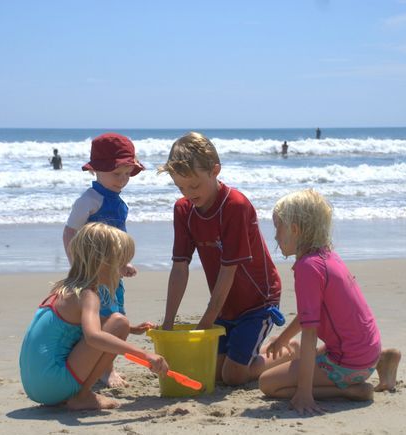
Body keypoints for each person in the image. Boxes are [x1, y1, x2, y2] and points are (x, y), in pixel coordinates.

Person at [158, 131, 295, 386]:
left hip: (258, 302)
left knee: (232, 376)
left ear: (215, 170)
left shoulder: (235, 206)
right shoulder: (183, 210)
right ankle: (260, 351)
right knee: (213, 372)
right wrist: (168, 322)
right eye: (181, 187)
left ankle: (287, 351)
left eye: (195, 185)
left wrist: (204, 324)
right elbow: (179, 267)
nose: (188, 194)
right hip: (225, 305)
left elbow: (228, 270)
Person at [258, 189, 401, 415]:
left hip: (349, 363)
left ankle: (353, 391)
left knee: (269, 383)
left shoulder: (308, 268)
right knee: (297, 353)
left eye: (278, 227)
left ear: (295, 230)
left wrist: (304, 392)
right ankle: (383, 359)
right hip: (367, 350)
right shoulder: (327, 256)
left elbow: (310, 331)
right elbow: (309, 315)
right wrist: (283, 339)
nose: (275, 236)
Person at [19, 222, 168, 411]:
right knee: (119, 322)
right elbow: (93, 336)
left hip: (35, 386)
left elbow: (75, 328)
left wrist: (132, 329)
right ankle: (82, 396)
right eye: (121, 263)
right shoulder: (88, 295)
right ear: (103, 263)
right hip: (54, 384)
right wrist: (145, 354)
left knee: (120, 324)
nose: (123, 271)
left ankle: (75, 394)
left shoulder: (65, 290)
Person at [62, 132, 145, 387]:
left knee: (117, 315)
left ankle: (104, 365)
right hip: (93, 275)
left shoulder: (118, 202)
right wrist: (78, 268)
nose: (121, 180)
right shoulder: (89, 200)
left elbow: (116, 241)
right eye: (115, 174)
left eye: (126, 174)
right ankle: (104, 369)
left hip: (113, 274)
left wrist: (121, 264)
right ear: (96, 170)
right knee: (102, 319)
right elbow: (70, 233)